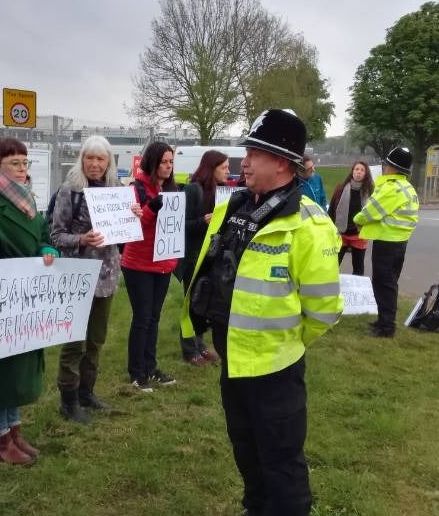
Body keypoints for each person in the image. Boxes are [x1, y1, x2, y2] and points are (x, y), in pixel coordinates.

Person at [182, 109, 344, 515]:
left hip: (275, 370)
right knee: (247, 456)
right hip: (232, 361)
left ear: (282, 164)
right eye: (247, 150)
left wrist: (282, 340)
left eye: (255, 152)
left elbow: (323, 310)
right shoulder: (232, 207)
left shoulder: (309, 225)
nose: (245, 161)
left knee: (282, 466)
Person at [0, 137, 58, 465]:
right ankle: (0, 438)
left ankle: (15, 431)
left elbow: (41, 232)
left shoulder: (24, 197)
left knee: (17, 368)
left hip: (26, 293)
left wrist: (46, 249)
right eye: (14, 164)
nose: (21, 169)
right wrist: (9, 280)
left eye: (24, 163)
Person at [51, 135, 122, 423]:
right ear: (82, 159)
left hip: (106, 275)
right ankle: (68, 400)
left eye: (100, 158)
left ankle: (86, 392)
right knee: (74, 341)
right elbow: (55, 236)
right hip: (78, 276)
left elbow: (125, 233)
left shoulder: (117, 190)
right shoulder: (70, 190)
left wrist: (132, 217)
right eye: (89, 158)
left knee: (96, 339)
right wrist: (81, 238)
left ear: (108, 162)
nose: (94, 164)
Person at [120, 141, 178, 392]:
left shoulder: (171, 189)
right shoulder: (137, 189)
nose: (168, 166)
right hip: (139, 263)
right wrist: (152, 209)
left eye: (171, 162)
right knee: (142, 318)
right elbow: (136, 226)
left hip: (163, 263)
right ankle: (136, 372)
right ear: (152, 162)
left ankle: (150, 367)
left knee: (154, 318)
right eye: (164, 162)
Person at [353, 147, 419, 338]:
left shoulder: (391, 188)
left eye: (386, 164)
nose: (384, 167)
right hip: (399, 242)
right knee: (389, 283)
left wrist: (357, 220)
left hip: (387, 242)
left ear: (391, 166)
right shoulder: (407, 187)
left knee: (383, 284)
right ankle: (383, 321)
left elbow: (371, 211)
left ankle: (386, 326)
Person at [177, 150, 227, 366]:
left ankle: (200, 344)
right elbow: (180, 225)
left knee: (203, 302)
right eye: (223, 167)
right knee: (191, 302)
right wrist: (202, 221)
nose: (228, 171)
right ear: (211, 168)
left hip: (209, 256)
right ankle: (189, 349)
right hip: (192, 257)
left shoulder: (220, 192)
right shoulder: (192, 190)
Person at [328, 161, 375, 275]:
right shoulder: (341, 188)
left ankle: (356, 292)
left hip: (359, 234)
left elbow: (372, 213)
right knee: (333, 265)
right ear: (352, 171)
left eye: (362, 170)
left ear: (366, 174)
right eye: (356, 169)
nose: (358, 172)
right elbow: (331, 210)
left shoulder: (369, 191)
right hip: (341, 233)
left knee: (358, 268)